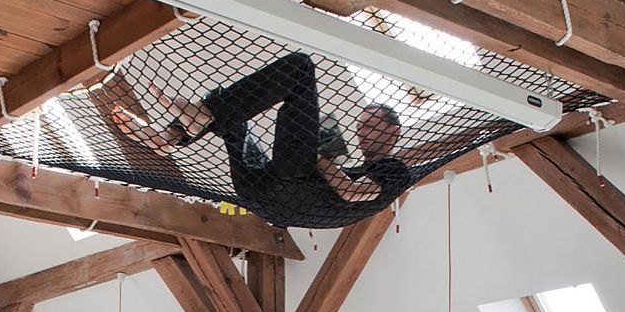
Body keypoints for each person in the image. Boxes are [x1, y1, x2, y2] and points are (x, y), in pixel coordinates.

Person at [109, 50, 413, 228]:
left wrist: (318, 157)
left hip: (296, 189)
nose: (361, 132)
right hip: (260, 195)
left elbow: (352, 192)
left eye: (371, 125)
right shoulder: (352, 163)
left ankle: (179, 131)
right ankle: (170, 135)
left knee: (301, 68)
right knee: (227, 113)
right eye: (361, 125)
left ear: (393, 131)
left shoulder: (396, 170)